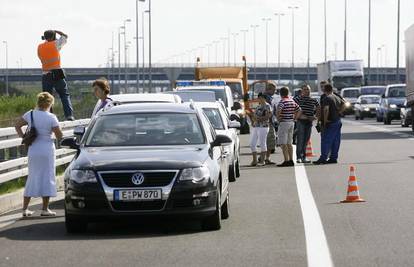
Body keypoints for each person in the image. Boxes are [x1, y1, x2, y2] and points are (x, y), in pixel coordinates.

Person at [15, 92, 63, 217]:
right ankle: (45, 209)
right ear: (50, 103)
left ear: (38, 102)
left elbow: (17, 125)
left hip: (33, 149)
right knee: (47, 176)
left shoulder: (30, 114)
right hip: (47, 149)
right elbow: (59, 135)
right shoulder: (51, 117)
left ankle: (25, 209)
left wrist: (24, 137)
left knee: (32, 176)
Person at [38, 30, 74, 121]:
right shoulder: (55, 44)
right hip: (57, 73)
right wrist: (57, 32)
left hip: (46, 75)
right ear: (53, 37)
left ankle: (49, 118)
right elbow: (65, 36)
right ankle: (69, 116)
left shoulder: (40, 47)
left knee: (46, 98)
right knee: (64, 95)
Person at [313, 84, 343, 165]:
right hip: (337, 121)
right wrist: (339, 112)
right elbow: (344, 104)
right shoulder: (336, 97)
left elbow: (326, 109)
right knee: (336, 141)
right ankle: (333, 157)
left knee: (326, 141)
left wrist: (325, 121)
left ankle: (323, 158)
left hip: (330, 122)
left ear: (324, 90)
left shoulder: (327, 98)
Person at [294, 84, 320, 163]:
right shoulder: (297, 99)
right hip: (300, 122)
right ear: (301, 91)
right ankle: (299, 157)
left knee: (306, 140)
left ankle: (304, 157)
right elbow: (294, 109)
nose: (307, 91)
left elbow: (319, 108)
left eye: (308, 89)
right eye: (305, 89)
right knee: (300, 140)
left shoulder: (313, 100)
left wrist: (315, 116)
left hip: (309, 122)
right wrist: (303, 116)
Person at [276, 87, 301, 167]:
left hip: (284, 123)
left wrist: (279, 118)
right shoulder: (291, 101)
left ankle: (286, 160)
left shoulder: (282, 102)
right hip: (291, 122)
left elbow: (278, 111)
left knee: (283, 143)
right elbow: (299, 109)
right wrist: (295, 118)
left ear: (280, 94)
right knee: (289, 142)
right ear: (288, 93)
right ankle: (291, 159)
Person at [249, 93, 272, 166]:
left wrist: (259, 119)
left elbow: (268, 116)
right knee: (252, 144)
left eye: (261, 98)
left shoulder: (267, 106)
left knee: (262, 143)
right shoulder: (258, 106)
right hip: (256, 126)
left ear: (264, 98)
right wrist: (254, 119)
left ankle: (262, 161)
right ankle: (254, 160)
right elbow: (254, 115)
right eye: (259, 98)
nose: (260, 99)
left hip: (264, 126)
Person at [262, 82, 278, 164]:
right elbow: (269, 111)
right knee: (270, 141)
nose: (275, 91)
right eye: (274, 90)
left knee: (265, 141)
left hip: (266, 122)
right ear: (269, 89)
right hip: (268, 122)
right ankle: (266, 158)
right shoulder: (267, 98)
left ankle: (263, 157)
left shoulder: (265, 97)